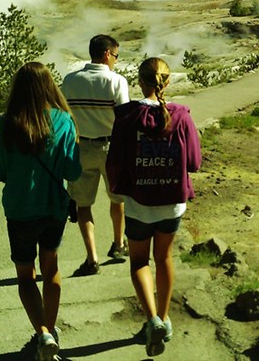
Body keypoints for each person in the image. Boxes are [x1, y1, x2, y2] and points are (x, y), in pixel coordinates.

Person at [106, 57, 202, 357]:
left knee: (138, 262)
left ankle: (152, 320)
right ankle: (165, 317)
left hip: (138, 203)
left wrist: (118, 187)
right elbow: (194, 162)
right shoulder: (181, 116)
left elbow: (115, 161)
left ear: (139, 81)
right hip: (171, 203)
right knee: (164, 257)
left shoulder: (127, 117)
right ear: (167, 82)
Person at [0, 62, 81, 361]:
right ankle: (49, 331)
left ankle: (42, 333)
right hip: (53, 208)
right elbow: (73, 171)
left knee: (25, 276)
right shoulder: (64, 121)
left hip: (19, 210)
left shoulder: (6, 123)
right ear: (48, 86)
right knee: (51, 269)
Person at [62, 34, 130, 276]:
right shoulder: (116, 81)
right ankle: (119, 244)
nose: (116, 61)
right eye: (116, 56)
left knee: (83, 204)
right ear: (106, 54)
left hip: (81, 148)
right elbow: (124, 118)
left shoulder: (70, 80)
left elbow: (65, 114)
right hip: (111, 148)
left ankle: (92, 258)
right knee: (117, 199)